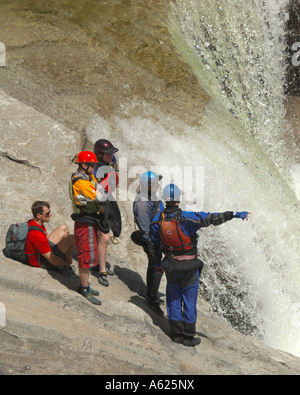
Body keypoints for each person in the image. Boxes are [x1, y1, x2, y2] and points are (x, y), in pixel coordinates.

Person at [150, 183, 250, 347]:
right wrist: (235, 214)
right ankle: (188, 336)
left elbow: (154, 241)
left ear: (165, 199)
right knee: (189, 300)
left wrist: (158, 263)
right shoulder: (187, 218)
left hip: (170, 265)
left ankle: (176, 334)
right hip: (189, 266)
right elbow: (212, 218)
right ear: (178, 200)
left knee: (173, 298)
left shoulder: (157, 220)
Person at [70, 151, 110, 305]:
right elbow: (99, 196)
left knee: (89, 253)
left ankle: (85, 284)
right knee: (86, 255)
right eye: (92, 165)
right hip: (84, 222)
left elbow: (99, 189)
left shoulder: (87, 178)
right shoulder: (81, 182)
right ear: (84, 165)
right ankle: (84, 288)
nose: (94, 168)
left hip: (90, 221)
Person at [132, 171, 165, 316]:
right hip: (151, 239)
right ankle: (151, 299)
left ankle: (151, 293)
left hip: (157, 236)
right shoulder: (143, 202)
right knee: (156, 266)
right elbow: (145, 228)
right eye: (155, 183)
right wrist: (152, 243)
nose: (158, 185)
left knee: (155, 265)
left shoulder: (151, 196)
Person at [92, 138, 120, 285]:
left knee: (102, 236)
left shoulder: (111, 160)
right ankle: (101, 270)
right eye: (108, 154)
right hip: (98, 203)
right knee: (105, 237)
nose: (111, 156)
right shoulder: (95, 168)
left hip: (106, 199)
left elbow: (115, 167)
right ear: (99, 155)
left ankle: (98, 262)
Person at [25, 201, 76, 275]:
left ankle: (64, 262)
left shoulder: (34, 223)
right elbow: (53, 260)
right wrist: (66, 263)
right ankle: (64, 267)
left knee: (63, 228)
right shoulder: (36, 234)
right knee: (71, 239)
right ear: (39, 215)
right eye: (47, 213)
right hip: (41, 261)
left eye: (50, 212)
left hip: (42, 252)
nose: (50, 214)